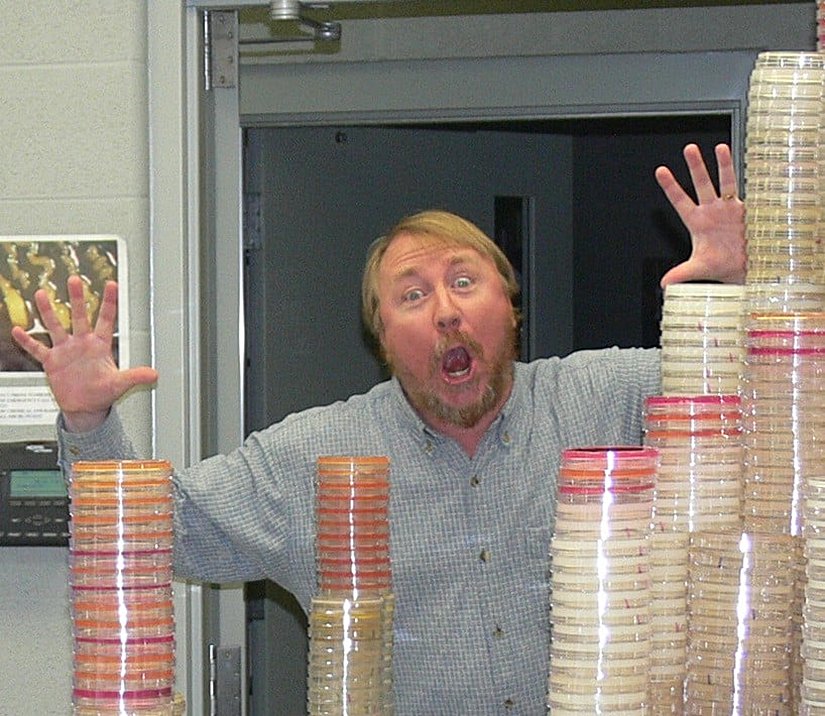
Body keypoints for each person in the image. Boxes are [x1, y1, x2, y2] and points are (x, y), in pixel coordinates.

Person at [13, 143, 745, 714]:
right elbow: (161, 530)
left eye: (465, 282)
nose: (446, 311)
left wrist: (741, 289)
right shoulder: (317, 458)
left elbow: (768, 405)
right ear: (383, 338)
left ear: (509, 303)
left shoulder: (607, 399)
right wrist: (87, 417)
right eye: (412, 296)